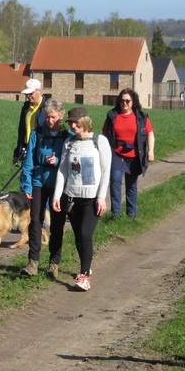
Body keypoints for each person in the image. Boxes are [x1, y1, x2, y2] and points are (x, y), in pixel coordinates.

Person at [52, 107, 111, 292]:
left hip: (91, 199)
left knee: (86, 234)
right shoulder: (69, 142)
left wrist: (101, 197)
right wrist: (57, 195)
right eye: (71, 122)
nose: (73, 125)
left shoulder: (99, 141)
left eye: (76, 122)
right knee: (78, 236)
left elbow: (105, 171)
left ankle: (84, 275)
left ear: (85, 121)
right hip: (71, 197)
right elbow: (63, 170)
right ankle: (86, 264)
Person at [20, 99, 70, 278]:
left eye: (53, 117)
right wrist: (27, 184)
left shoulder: (67, 136)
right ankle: (32, 262)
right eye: (47, 117)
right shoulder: (37, 134)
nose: (50, 121)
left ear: (61, 117)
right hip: (38, 182)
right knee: (35, 221)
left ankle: (53, 263)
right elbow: (29, 161)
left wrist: (57, 162)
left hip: (58, 184)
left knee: (57, 224)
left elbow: (70, 162)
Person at [102, 88, 155, 220]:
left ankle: (131, 215)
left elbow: (150, 133)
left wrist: (151, 151)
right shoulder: (112, 115)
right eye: (121, 101)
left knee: (131, 185)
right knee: (115, 180)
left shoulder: (141, 116)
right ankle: (116, 213)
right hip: (117, 153)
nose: (124, 103)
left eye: (127, 101)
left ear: (133, 101)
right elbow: (104, 133)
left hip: (134, 155)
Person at [13, 78, 48, 166]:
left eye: (31, 93)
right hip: (27, 148)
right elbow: (21, 131)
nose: (28, 96)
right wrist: (17, 152)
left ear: (39, 91)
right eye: (26, 94)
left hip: (42, 149)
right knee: (26, 178)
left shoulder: (48, 107)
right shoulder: (25, 108)